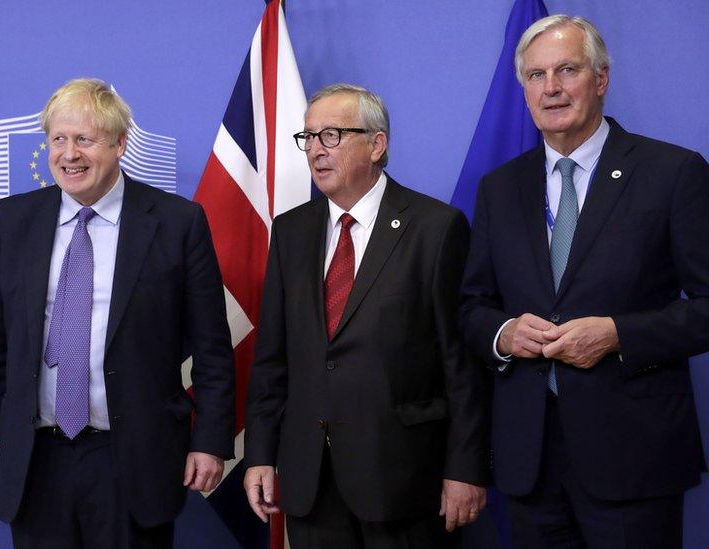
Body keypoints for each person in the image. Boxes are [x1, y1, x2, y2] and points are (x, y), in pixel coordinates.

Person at [459, 15, 709, 548]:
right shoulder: (499, 189)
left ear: (601, 78)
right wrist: (503, 334)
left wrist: (619, 334)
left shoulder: (673, 173)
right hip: (529, 458)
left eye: (566, 69)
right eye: (535, 75)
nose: (550, 88)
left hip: (633, 457)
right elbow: (472, 305)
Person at [0, 78, 234, 548]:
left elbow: (212, 348)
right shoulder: (12, 221)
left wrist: (211, 440)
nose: (69, 154)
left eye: (85, 140)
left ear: (120, 144)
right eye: (58, 139)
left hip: (133, 456)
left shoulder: (177, 223)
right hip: (35, 459)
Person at [243, 83, 488, 548]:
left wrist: (465, 468)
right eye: (309, 137)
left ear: (377, 144)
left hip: (404, 479)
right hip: (310, 480)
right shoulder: (291, 231)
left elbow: (462, 364)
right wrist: (260, 454)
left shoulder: (435, 229)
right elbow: (272, 359)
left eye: (331, 135)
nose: (315, 149)